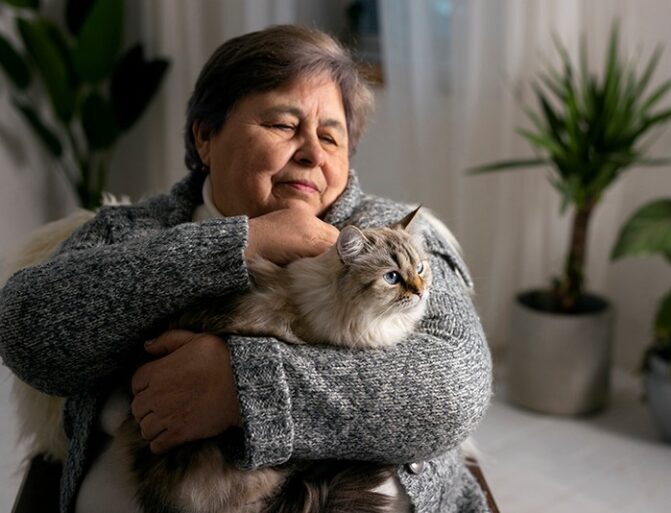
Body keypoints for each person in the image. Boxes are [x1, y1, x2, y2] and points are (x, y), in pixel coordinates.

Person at [0, 25, 492, 513]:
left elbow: (457, 388)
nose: (312, 153)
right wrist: (242, 241)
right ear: (206, 136)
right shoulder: (131, 232)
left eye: (331, 137)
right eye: (283, 125)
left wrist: (237, 387)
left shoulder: (398, 236)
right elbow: (29, 332)